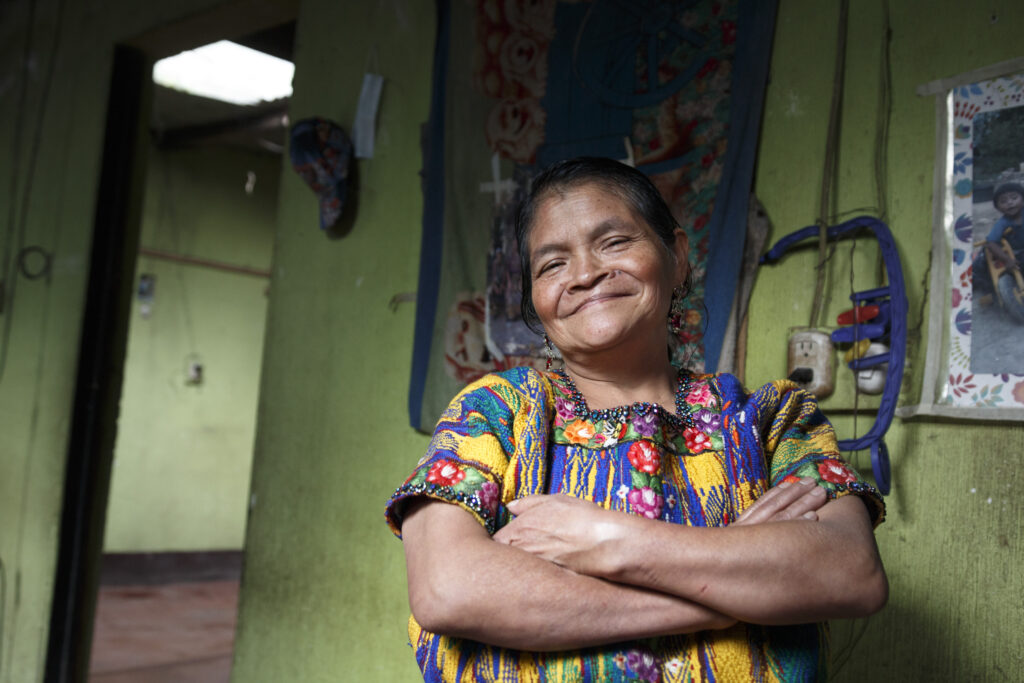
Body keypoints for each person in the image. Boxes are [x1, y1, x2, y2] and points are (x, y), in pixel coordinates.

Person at [386, 157, 887, 682]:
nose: (584, 274)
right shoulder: (495, 414)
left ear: (677, 256)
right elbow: (448, 588)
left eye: (614, 242)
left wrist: (609, 540)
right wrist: (728, 595)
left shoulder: (770, 420)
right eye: (552, 264)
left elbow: (851, 571)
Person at [973, 181, 1024, 298]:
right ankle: (981, 283)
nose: (1010, 202)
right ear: (998, 208)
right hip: (1012, 252)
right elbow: (991, 243)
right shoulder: (1002, 223)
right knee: (985, 265)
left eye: (1014, 198)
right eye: (1003, 201)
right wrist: (1007, 260)